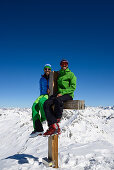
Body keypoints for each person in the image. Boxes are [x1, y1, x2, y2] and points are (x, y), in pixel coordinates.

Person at [43, 59, 76, 136]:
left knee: (58, 100)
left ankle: (57, 119)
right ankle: (53, 126)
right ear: (60, 65)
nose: (64, 65)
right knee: (47, 103)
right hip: (59, 94)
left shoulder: (71, 75)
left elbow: (73, 87)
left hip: (68, 94)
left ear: (67, 65)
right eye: (62, 64)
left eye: (65, 64)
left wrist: (63, 93)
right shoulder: (59, 74)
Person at [30, 64, 52, 136]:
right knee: (34, 106)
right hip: (41, 95)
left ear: (50, 70)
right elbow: (41, 89)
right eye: (46, 69)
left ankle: (44, 119)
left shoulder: (53, 77)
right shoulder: (41, 79)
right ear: (44, 70)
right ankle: (38, 129)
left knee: (42, 101)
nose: (47, 70)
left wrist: (51, 92)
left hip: (48, 95)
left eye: (49, 69)